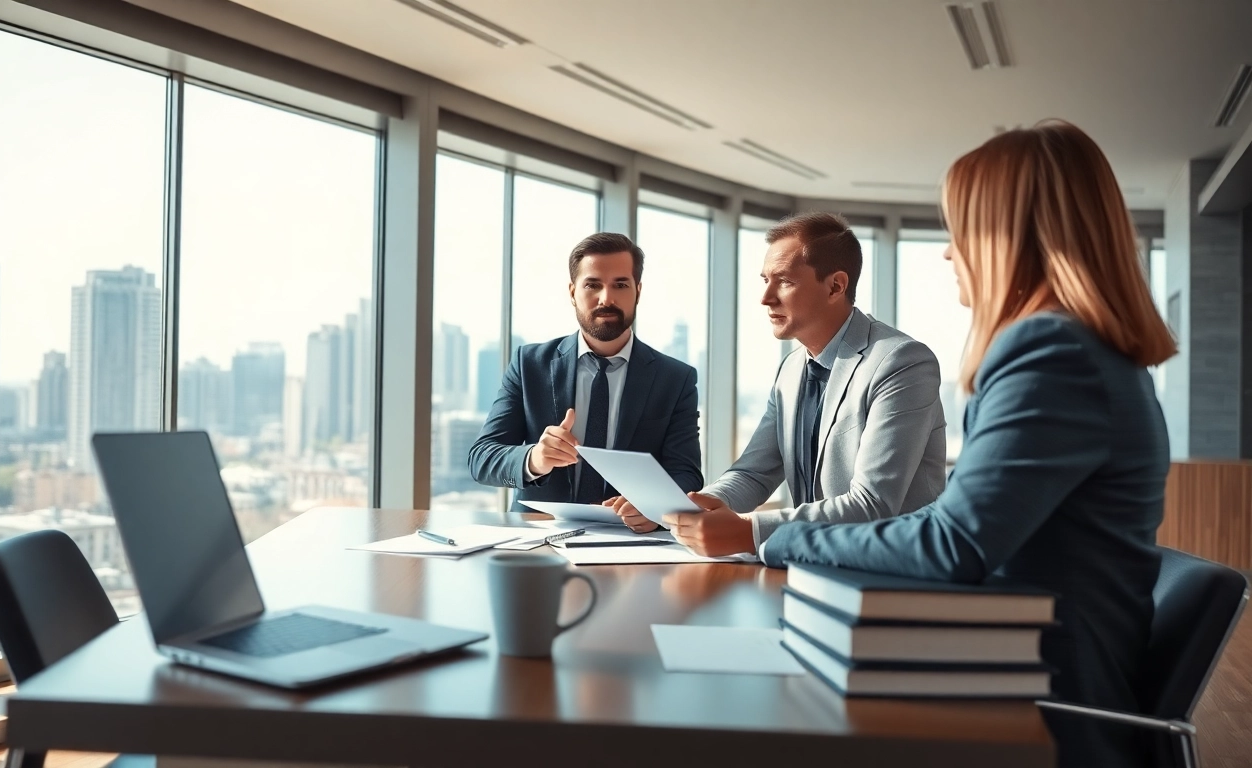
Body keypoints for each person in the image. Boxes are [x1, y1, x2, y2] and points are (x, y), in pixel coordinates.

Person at [673, 121, 1175, 766]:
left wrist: (758, 536)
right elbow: (959, 526)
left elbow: (954, 544)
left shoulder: (1050, 352)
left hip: (1036, 695)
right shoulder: (1087, 348)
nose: (947, 253)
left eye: (961, 229)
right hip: (1022, 658)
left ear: (1012, 236)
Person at [612, 212, 946, 556]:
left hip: (890, 575)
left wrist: (748, 531)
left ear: (835, 286)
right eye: (765, 280)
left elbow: (873, 503)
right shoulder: (791, 370)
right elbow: (753, 474)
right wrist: (687, 508)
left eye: (784, 281)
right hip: (812, 565)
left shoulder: (900, 361)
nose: (766, 297)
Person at [468, 232, 702, 509]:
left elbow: (687, 474)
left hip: (629, 539)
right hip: (541, 538)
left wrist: (651, 506)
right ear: (572, 293)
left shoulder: (675, 379)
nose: (606, 298)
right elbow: (482, 459)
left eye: (620, 285)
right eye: (593, 285)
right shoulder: (529, 364)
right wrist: (535, 459)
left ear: (638, 292)